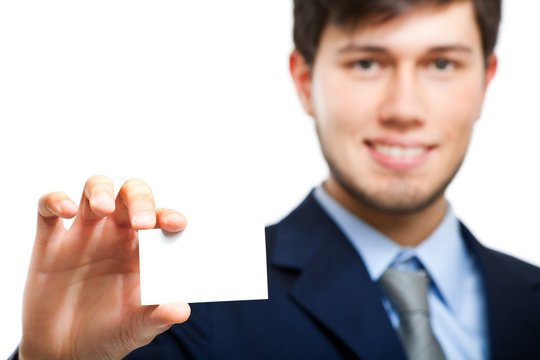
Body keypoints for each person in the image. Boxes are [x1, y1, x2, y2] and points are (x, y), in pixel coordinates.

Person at [10, 0, 540, 359]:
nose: (404, 108)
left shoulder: (529, 300)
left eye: (442, 64)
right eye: (366, 63)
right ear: (305, 81)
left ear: (485, 81)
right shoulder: (181, 306)